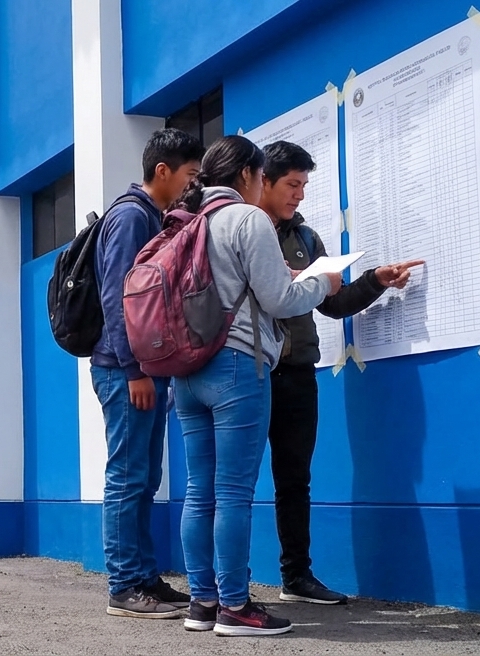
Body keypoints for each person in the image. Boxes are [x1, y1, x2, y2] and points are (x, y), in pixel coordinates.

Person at [170, 135, 341, 636]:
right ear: (248, 176)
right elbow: (282, 298)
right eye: (265, 176)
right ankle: (237, 607)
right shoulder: (247, 219)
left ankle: (202, 603)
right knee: (233, 493)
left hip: (186, 371)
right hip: (237, 366)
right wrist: (322, 283)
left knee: (199, 492)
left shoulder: (186, 219)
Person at [256, 141, 422, 605]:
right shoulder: (243, 231)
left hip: (298, 374)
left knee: (295, 478)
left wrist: (375, 281)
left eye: (305, 185)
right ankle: (228, 587)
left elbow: (333, 303)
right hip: (249, 373)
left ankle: (297, 578)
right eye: (292, 184)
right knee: (233, 479)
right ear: (263, 181)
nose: (300, 195)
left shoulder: (309, 241)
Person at [93, 127, 204, 619]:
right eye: (189, 175)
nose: (191, 185)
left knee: (144, 476)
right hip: (125, 371)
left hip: (141, 371)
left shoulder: (151, 218)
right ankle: (123, 586)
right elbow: (121, 301)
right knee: (127, 475)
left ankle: (143, 577)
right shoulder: (130, 217)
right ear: (163, 171)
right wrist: (136, 369)